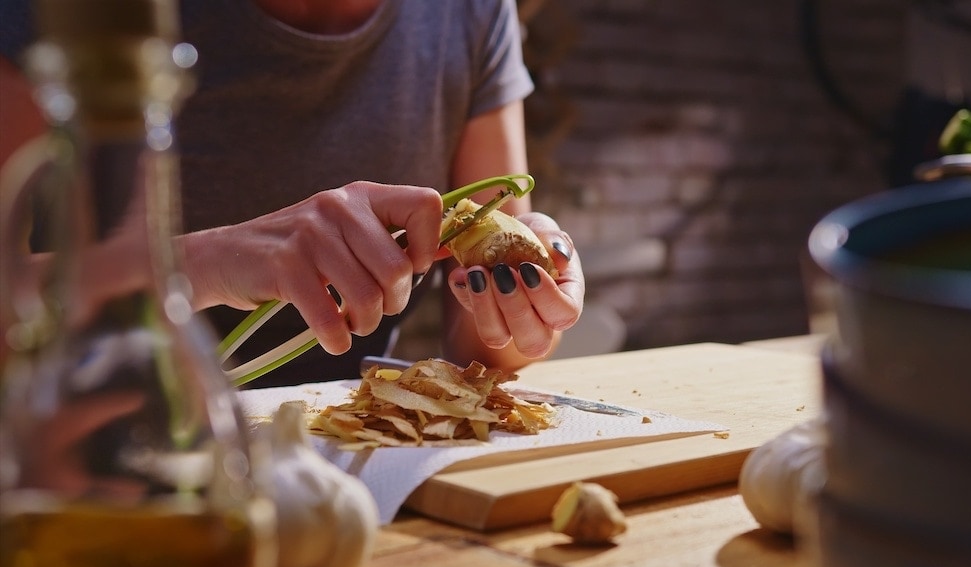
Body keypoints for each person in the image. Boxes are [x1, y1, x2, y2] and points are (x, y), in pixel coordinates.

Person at [0, 0, 585, 386]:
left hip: (348, 462)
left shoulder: (472, 13)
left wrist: (523, 314)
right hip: (93, 459)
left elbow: (483, 345)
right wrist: (209, 262)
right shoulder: (80, 18)